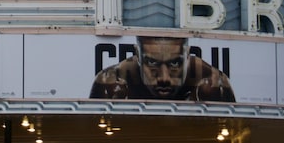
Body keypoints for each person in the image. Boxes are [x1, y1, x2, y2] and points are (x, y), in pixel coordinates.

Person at [89, 36, 235, 101]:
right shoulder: (113, 82)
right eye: (152, 63)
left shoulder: (212, 83)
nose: (164, 78)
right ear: (137, 55)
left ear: (187, 55)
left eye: (175, 64)